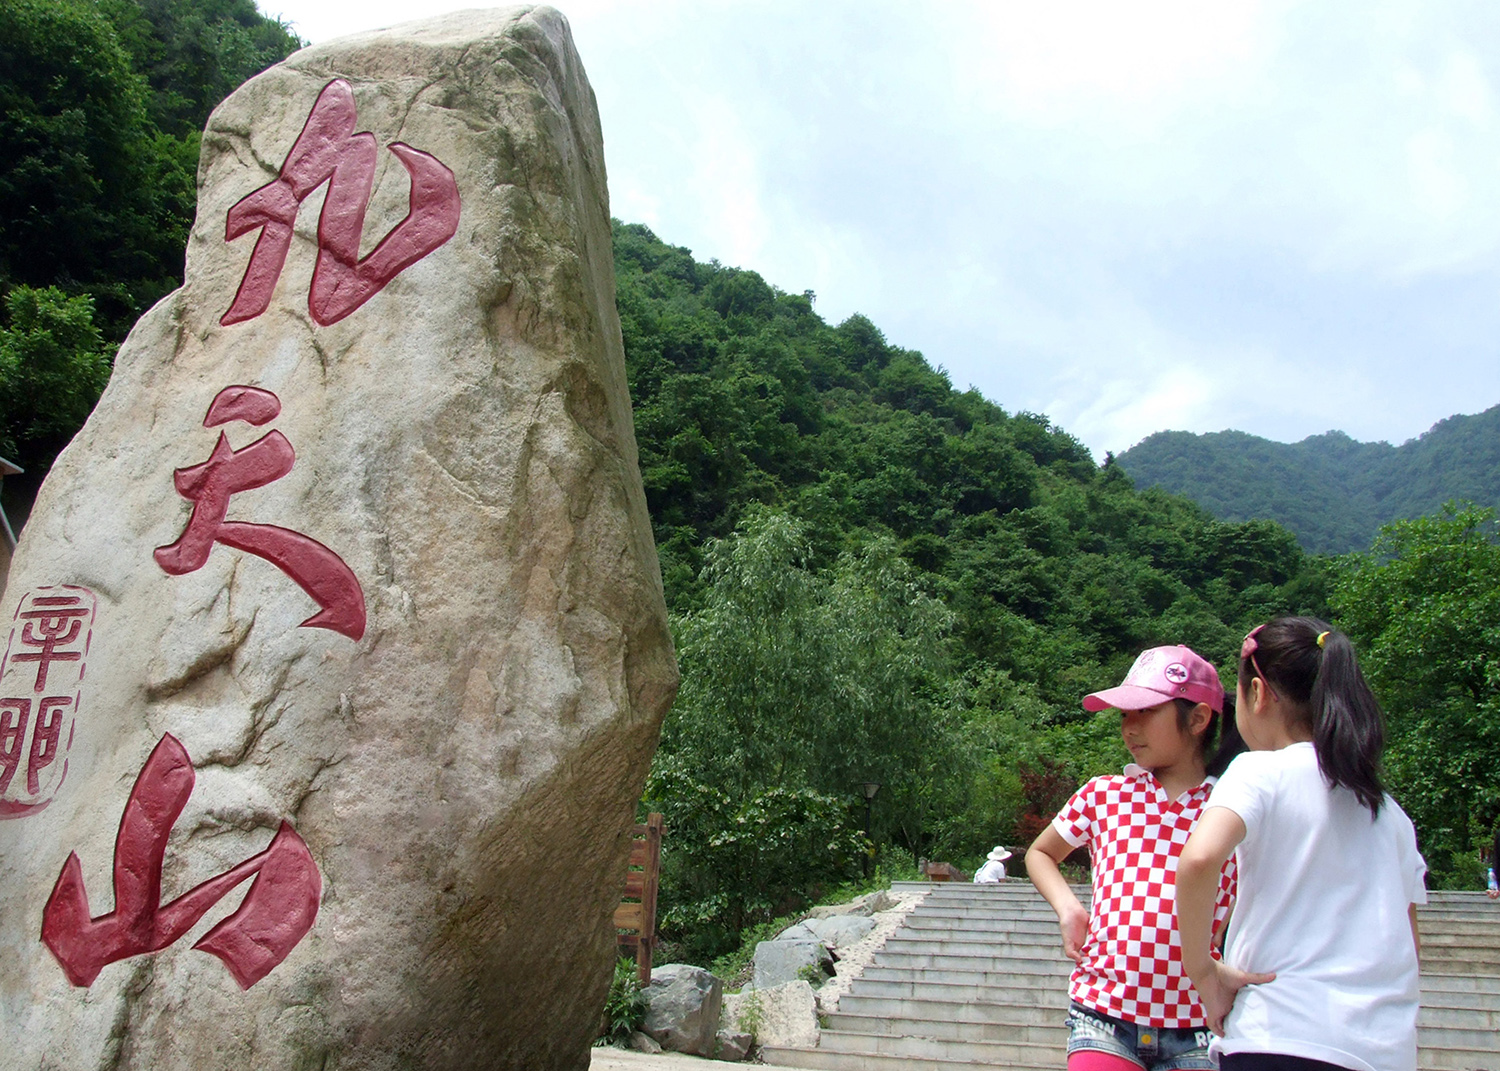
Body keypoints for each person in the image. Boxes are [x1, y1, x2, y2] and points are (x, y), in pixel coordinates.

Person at [1176, 617, 1428, 1071]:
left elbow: (1198, 859)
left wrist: (1204, 973)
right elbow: (1405, 936)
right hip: (1384, 1050)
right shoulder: (1390, 813)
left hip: (1283, 1034)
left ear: (1257, 693)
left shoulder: (1259, 772)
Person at [1026, 645, 1241, 1071]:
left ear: (1198, 718)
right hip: (1102, 1014)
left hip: (1200, 1023)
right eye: (1125, 714)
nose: (1129, 728)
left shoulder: (1235, 806)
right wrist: (1068, 908)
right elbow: (1041, 852)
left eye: (1145, 712)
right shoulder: (1105, 794)